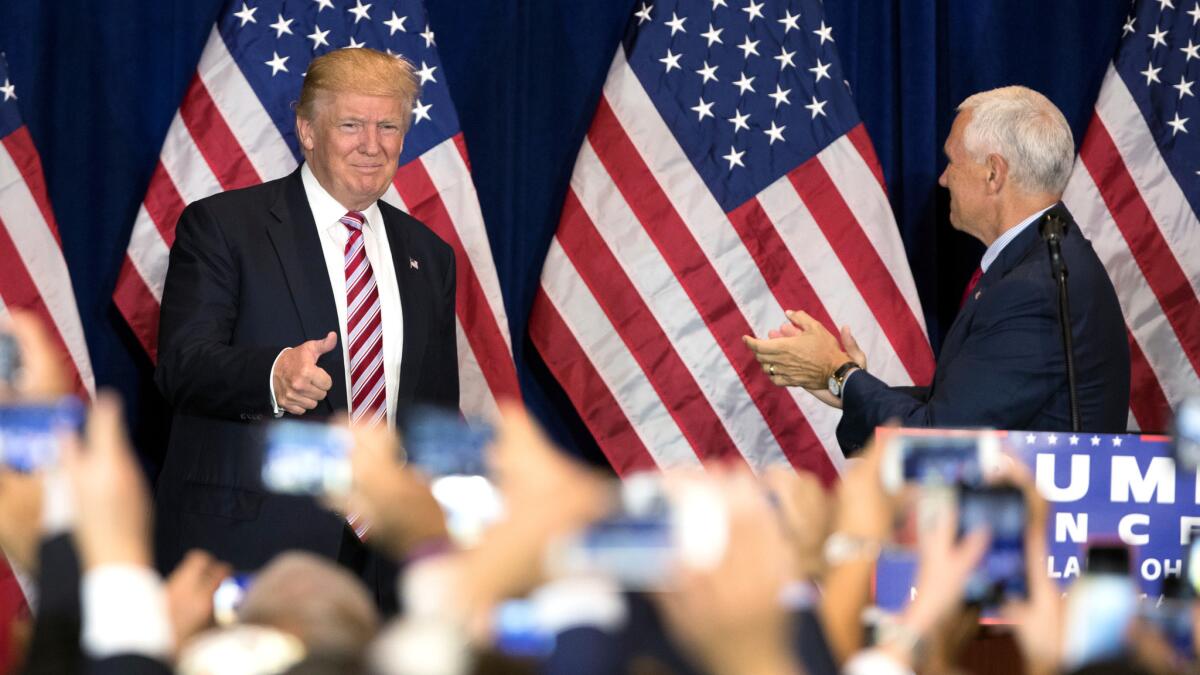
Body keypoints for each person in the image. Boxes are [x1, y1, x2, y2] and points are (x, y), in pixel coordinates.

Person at [153, 47, 458, 604]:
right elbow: (182, 365)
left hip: (387, 559)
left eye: (389, 125)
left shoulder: (428, 255)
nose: (372, 144)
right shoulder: (223, 227)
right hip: (253, 548)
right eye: (350, 124)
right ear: (308, 130)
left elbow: (435, 410)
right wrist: (271, 375)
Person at [744, 85, 1130, 454]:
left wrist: (840, 374)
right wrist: (846, 384)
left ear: (994, 173)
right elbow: (965, 406)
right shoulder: (1043, 258)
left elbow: (942, 439)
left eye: (952, 161)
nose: (943, 178)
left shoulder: (1034, 287)